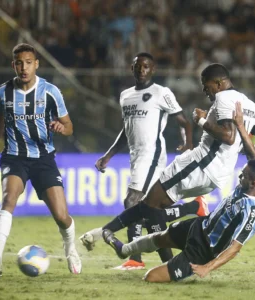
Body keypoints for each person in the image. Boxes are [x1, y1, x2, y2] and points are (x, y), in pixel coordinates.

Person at [80, 63, 255, 257]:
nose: (204, 90)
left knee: (150, 205)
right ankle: (107, 234)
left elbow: (228, 136)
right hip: (217, 176)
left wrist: (202, 121)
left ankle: (119, 241)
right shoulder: (249, 104)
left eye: (206, 86)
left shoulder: (223, 98)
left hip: (200, 165)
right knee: (154, 208)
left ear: (218, 83)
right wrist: (237, 151)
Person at [102, 109, 255, 282]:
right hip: (199, 226)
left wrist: (207, 267)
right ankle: (125, 250)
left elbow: (235, 248)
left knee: (150, 277)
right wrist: (241, 127)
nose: (239, 177)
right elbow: (253, 157)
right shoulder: (254, 182)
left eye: (243, 176)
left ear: (253, 184)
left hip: (205, 249)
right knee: (160, 238)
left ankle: (178, 269)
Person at [80, 52, 209, 270]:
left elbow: (183, 120)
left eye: (146, 66)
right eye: (138, 66)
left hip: (152, 155)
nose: (142, 70)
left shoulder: (161, 92)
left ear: (153, 70)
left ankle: (134, 258)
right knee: (149, 210)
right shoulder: (125, 96)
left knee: (132, 202)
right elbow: (126, 129)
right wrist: (108, 155)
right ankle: (188, 215)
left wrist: (187, 144)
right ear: (132, 69)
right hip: (135, 156)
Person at [0, 43, 81, 276]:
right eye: (19, 63)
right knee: (9, 199)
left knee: (61, 216)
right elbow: (0, 120)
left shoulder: (50, 92)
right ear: (13, 65)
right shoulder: (1, 92)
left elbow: (70, 127)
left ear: (36, 64)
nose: (23, 67)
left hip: (43, 158)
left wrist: (60, 127)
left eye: (28, 62)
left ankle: (70, 249)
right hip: (14, 157)